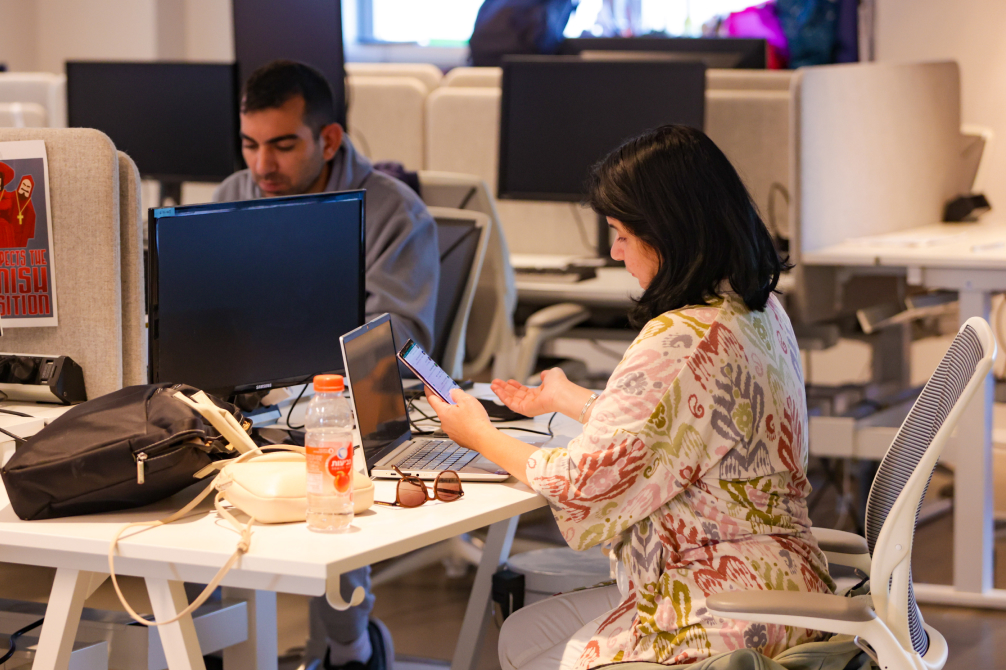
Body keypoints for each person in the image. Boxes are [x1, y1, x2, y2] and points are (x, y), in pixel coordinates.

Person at [424, 125, 834, 669]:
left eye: (620, 233)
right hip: (780, 584)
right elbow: (683, 434)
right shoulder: (755, 309)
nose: (615, 251)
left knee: (538, 654)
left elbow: (583, 484)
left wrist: (479, 434)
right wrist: (572, 400)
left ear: (668, 232)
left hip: (724, 607)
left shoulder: (683, 337)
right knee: (523, 637)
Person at [214, 60, 440, 670]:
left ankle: (352, 648)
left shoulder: (396, 212)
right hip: (253, 400)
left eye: (283, 145)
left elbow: (401, 343)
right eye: (251, 145)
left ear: (328, 139)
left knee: (330, 453)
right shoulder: (234, 197)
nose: (262, 167)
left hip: (353, 401)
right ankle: (199, 643)